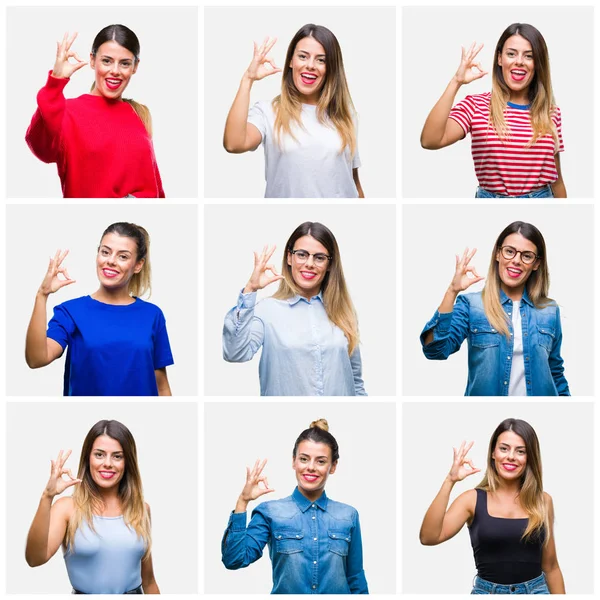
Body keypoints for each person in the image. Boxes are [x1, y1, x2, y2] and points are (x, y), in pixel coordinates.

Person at [420, 221, 569, 396]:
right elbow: (435, 350)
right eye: (509, 251)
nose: (516, 261)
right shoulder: (471, 305)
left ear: (536, 264)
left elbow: (555, 371)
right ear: (498, 253)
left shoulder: (549, 310)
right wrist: (452, 291)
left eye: (527, 256)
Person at [25, 222, 173, 396]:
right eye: (105, 252)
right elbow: (36, 359)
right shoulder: (71, 312)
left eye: (123, 256)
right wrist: (42, 295)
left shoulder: (152, 315)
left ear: (138, 265)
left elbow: (161, 384)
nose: (110, 261)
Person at [221, 419, 368, 594]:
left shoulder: (348, 515)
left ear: (333, 466)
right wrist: (242, 502)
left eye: (321, 461)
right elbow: (234, 560)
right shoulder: (270, 512)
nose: (311, 467)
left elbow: (355, 577)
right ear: (294, 461)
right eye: (304, 459)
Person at [419, 418, 565, 594]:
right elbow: (428, 537)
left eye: (520, 451)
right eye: (504, 448)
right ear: (493, 453)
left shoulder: (543, 501)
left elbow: (550, 567)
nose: (511, 456)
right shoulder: (472, 499)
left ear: (529, 458)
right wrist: (450, 481)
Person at [421, 23, 565, 198]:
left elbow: (557, 180)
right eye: (511, 54)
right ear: (499, 59)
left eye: (529, 56)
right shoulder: (475, 106)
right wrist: (456, 81)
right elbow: (430, 140)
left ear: (537, 63)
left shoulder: (550, 112)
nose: (519, 61)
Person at [223, 221, 366, 396]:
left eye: (319, 257)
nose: (310, 263)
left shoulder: (344, 312)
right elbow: (235, 353)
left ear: (329, 264)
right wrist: (250, 289)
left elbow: (356, 382)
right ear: (289, 257)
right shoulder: (267, 310)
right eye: (302, 254)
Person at [223, 24, 363, 198]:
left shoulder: (346, 115)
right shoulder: (268, 112)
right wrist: (247, 80)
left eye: (321, 60)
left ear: (331, 68)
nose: (310, 65)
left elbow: (353, 181)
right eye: (303, 56)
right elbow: (233, 144)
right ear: (291, 60)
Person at [26, 25, 164, 198]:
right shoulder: (68, 111)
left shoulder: (139, 114)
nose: (115, 71)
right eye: (107, 60)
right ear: (92, 60)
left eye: (125, 63)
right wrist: (55, 81)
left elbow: (156, 188)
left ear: (135, 67)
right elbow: (42, 150)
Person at [25, 420, 159, 594]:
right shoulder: (67, 508)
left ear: (127, 463)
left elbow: (148, 581)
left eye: (117, 456)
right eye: (99, 454)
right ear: (88, 458)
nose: (108, 463)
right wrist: (47, 496)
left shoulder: (141, 509)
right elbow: (35, 559)